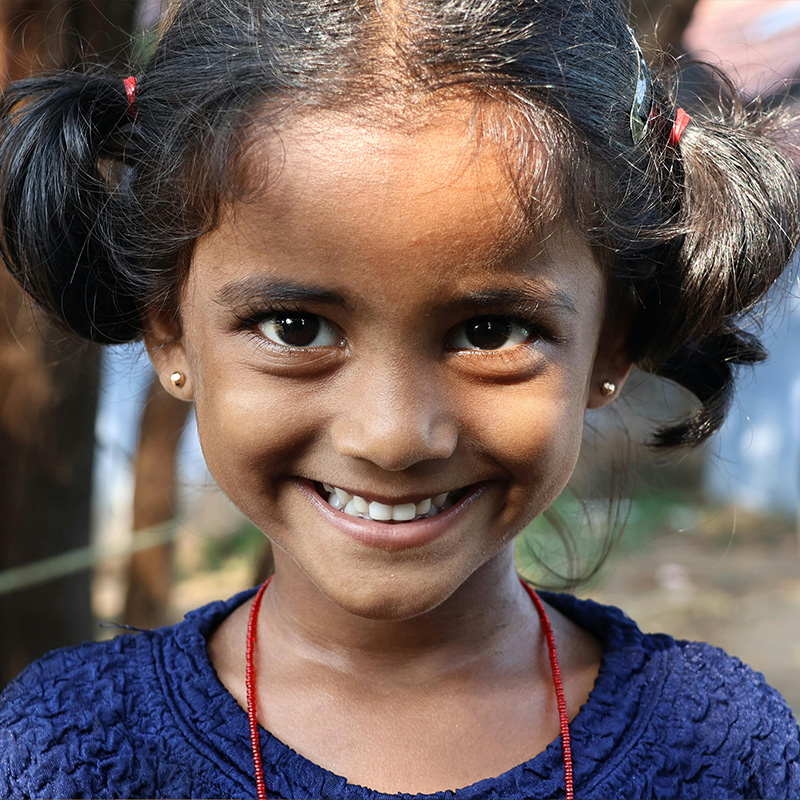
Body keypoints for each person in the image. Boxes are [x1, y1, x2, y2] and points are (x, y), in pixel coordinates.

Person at [1, 0, 798, 797]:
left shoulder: (721, 755)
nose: (392, 436)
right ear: (171, 331)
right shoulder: (68, 754)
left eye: (489, 331)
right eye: (295, 328)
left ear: (612, 342)